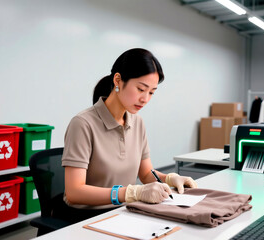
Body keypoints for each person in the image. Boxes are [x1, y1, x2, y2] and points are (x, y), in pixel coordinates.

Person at [58, 48, 197, 224]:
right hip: (85, 219)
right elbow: (74, 192)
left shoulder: (137, 123)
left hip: (126, 211)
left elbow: (146, 173)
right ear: (118, 80)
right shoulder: (83, 123)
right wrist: (132, 193)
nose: (145, 99)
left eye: (152, 92)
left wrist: (170, 178)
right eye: (141, 89)